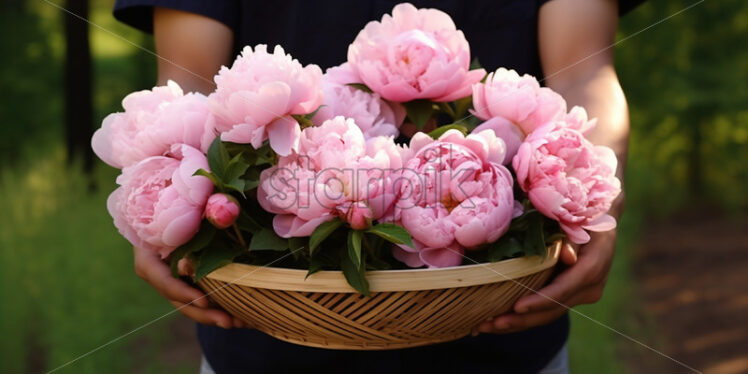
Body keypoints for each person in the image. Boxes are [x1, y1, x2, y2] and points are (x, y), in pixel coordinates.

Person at [114, 0, 640, 372]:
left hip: (505, 340)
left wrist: (597, 193)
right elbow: (188, 80)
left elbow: (584, 75)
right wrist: (164, 204)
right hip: (259, 343)